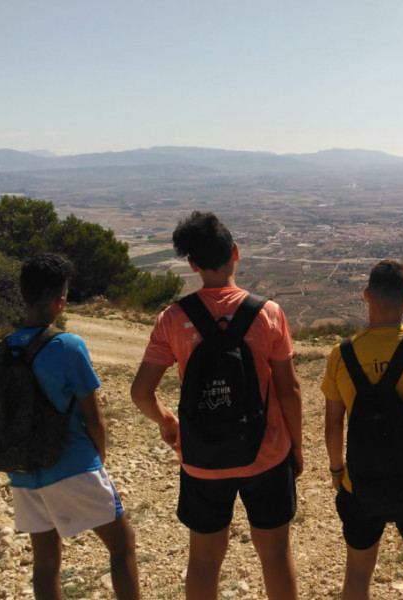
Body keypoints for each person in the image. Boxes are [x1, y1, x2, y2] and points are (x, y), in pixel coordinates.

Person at [130, 211, 302, 600]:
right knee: (274, 554)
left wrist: (166, 421)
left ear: (192, 264)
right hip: (267, 453)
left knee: (205, 560)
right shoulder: (269, 313)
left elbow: (141, 391)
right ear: (235, 252)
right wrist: (297, 445)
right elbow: (289, 388)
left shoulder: (172, 319)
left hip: (202, 457)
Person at [0, 253, 139, 600]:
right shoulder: (68, 345)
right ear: (61, 300)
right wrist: (99, 460)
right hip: (73, 464)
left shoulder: (2, 350)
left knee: (45, 562)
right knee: (123, 547)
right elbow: (94, 416)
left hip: (24, 471)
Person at [322, 259, 403, 600]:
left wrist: (338, 469)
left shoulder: (341, 355)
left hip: (360, 484)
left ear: (366, 295)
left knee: (356, 574)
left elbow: (334, 423)